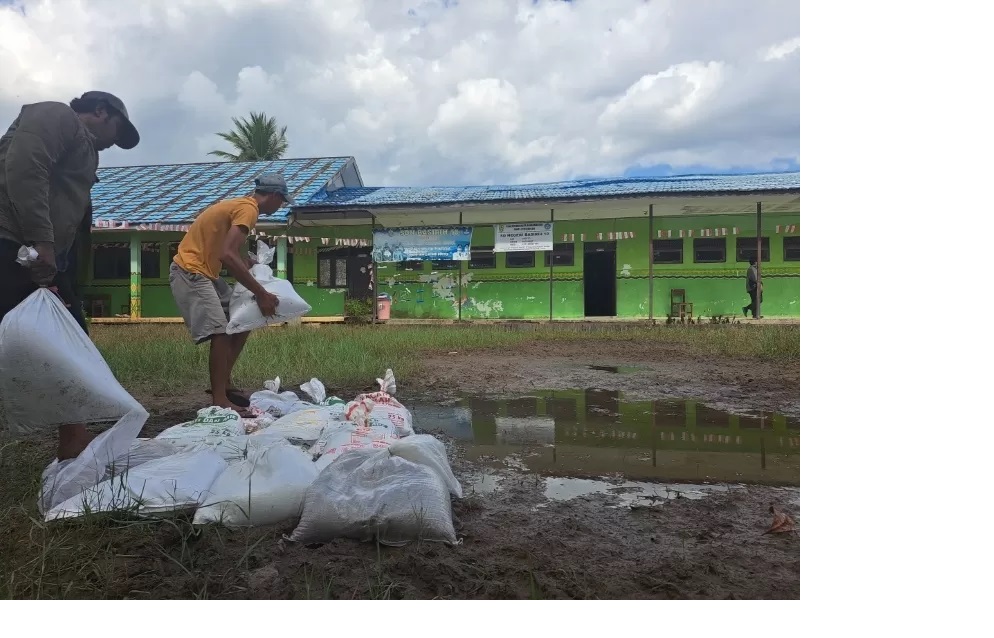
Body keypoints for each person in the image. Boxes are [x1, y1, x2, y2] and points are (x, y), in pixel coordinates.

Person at [0, 91, 140, 460]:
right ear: (100, 112)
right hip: (11, 244)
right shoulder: (56, 115)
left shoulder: (85, 149)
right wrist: (42, 240)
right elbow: (25, 167)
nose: (114, 145)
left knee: (72, 338)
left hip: (42, 257)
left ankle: (73, 441)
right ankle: (72, 439)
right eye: (118, 132)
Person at [169, 173, 290, 415]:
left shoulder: (240, 206)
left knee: (242, 321)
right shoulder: (249, 209)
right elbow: (227, 254)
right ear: (275, 196)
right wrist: (262, 293)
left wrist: (245, 261)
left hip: (207, 273)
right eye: (282, 201)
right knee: (221, 333)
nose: (281, 206)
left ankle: (224, 384)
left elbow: (226, 251)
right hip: (191, 271)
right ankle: (220, 400)